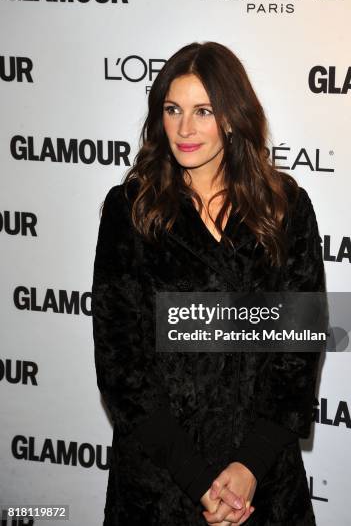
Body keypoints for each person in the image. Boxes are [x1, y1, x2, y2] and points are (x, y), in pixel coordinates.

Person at [91, 41, 327, 525]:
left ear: (233, 117)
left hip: (262, 485)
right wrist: (199, 482)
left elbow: (298, 352)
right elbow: (122, 365)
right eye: (172, 109)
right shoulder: (131, 210)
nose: (183, 128)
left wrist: (248, 467)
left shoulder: (285, 208)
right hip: (160, 484)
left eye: (203, 111)